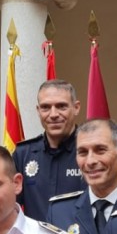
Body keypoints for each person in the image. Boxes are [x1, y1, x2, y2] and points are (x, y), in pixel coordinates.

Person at [13, 79, 84, 216]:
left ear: (76, 108)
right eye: (45, 107)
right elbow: (10, 205)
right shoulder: (23, 155)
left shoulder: (89, 152)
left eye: (61, 106)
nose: (53, 115)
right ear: (38, 111)